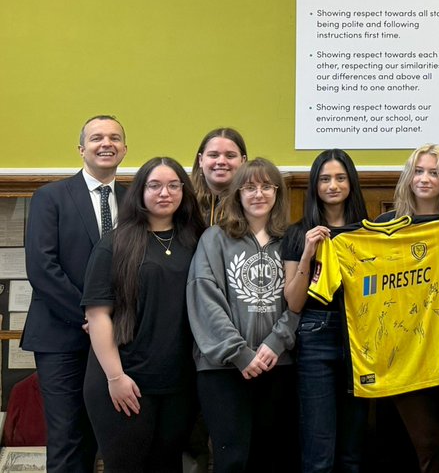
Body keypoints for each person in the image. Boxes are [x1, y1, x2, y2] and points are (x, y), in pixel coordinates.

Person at [311, 144, 439, 473]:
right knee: (417, 444)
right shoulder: (385, 225)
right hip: (396, 355)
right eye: (419, 171)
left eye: (434, 172)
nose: (425, 178)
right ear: (407, 177)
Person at [81, 157, 205, 472]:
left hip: (178, 383)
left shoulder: (197, 240)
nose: (165, 193)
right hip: (125, 380)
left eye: (173, 185)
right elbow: (97, 316)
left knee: (168, 466)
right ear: (140, 192)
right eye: (155, 185)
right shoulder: (115, 243)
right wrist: (115, 377)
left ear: (183, 191)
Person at [24, 114, 128, 473]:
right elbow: (41, 267)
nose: (106, 143)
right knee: (68, 436)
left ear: (125, 150)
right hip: (62, 337)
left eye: (115, 137)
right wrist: (90, 317)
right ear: (81, 148)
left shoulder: (134, 203)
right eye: (97, 137)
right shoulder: (50, 197)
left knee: (110, 436)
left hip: (121, 340)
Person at [187, 158, 299, 473]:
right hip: (223, 369)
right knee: (232, 458)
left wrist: (276, 343)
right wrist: (240, 354)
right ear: (237, 193)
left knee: (272, 458)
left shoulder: (291, 240)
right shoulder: (214, 239)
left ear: (278, 193)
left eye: (266, 186)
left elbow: (300, 299)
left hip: (278, 365)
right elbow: (205, 299)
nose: (258, 194)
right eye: (249, 187)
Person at [282, 149, 370, 473]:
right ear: (314, 185)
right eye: (324, 179)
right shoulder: (297, 233)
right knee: (319, 452)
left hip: (360, 338)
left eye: (340, 178)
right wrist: (307, 253)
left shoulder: (367, 232)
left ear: (351, 183)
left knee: (353, 451)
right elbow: (293, 302)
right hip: (315, 335)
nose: (333, 185)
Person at [190, 127, 247, 227]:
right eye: (213, 155)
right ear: (200, 160)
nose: (221, 161)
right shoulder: (185, 201)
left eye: (230, 156)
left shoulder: (253, 201)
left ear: (243, 161)